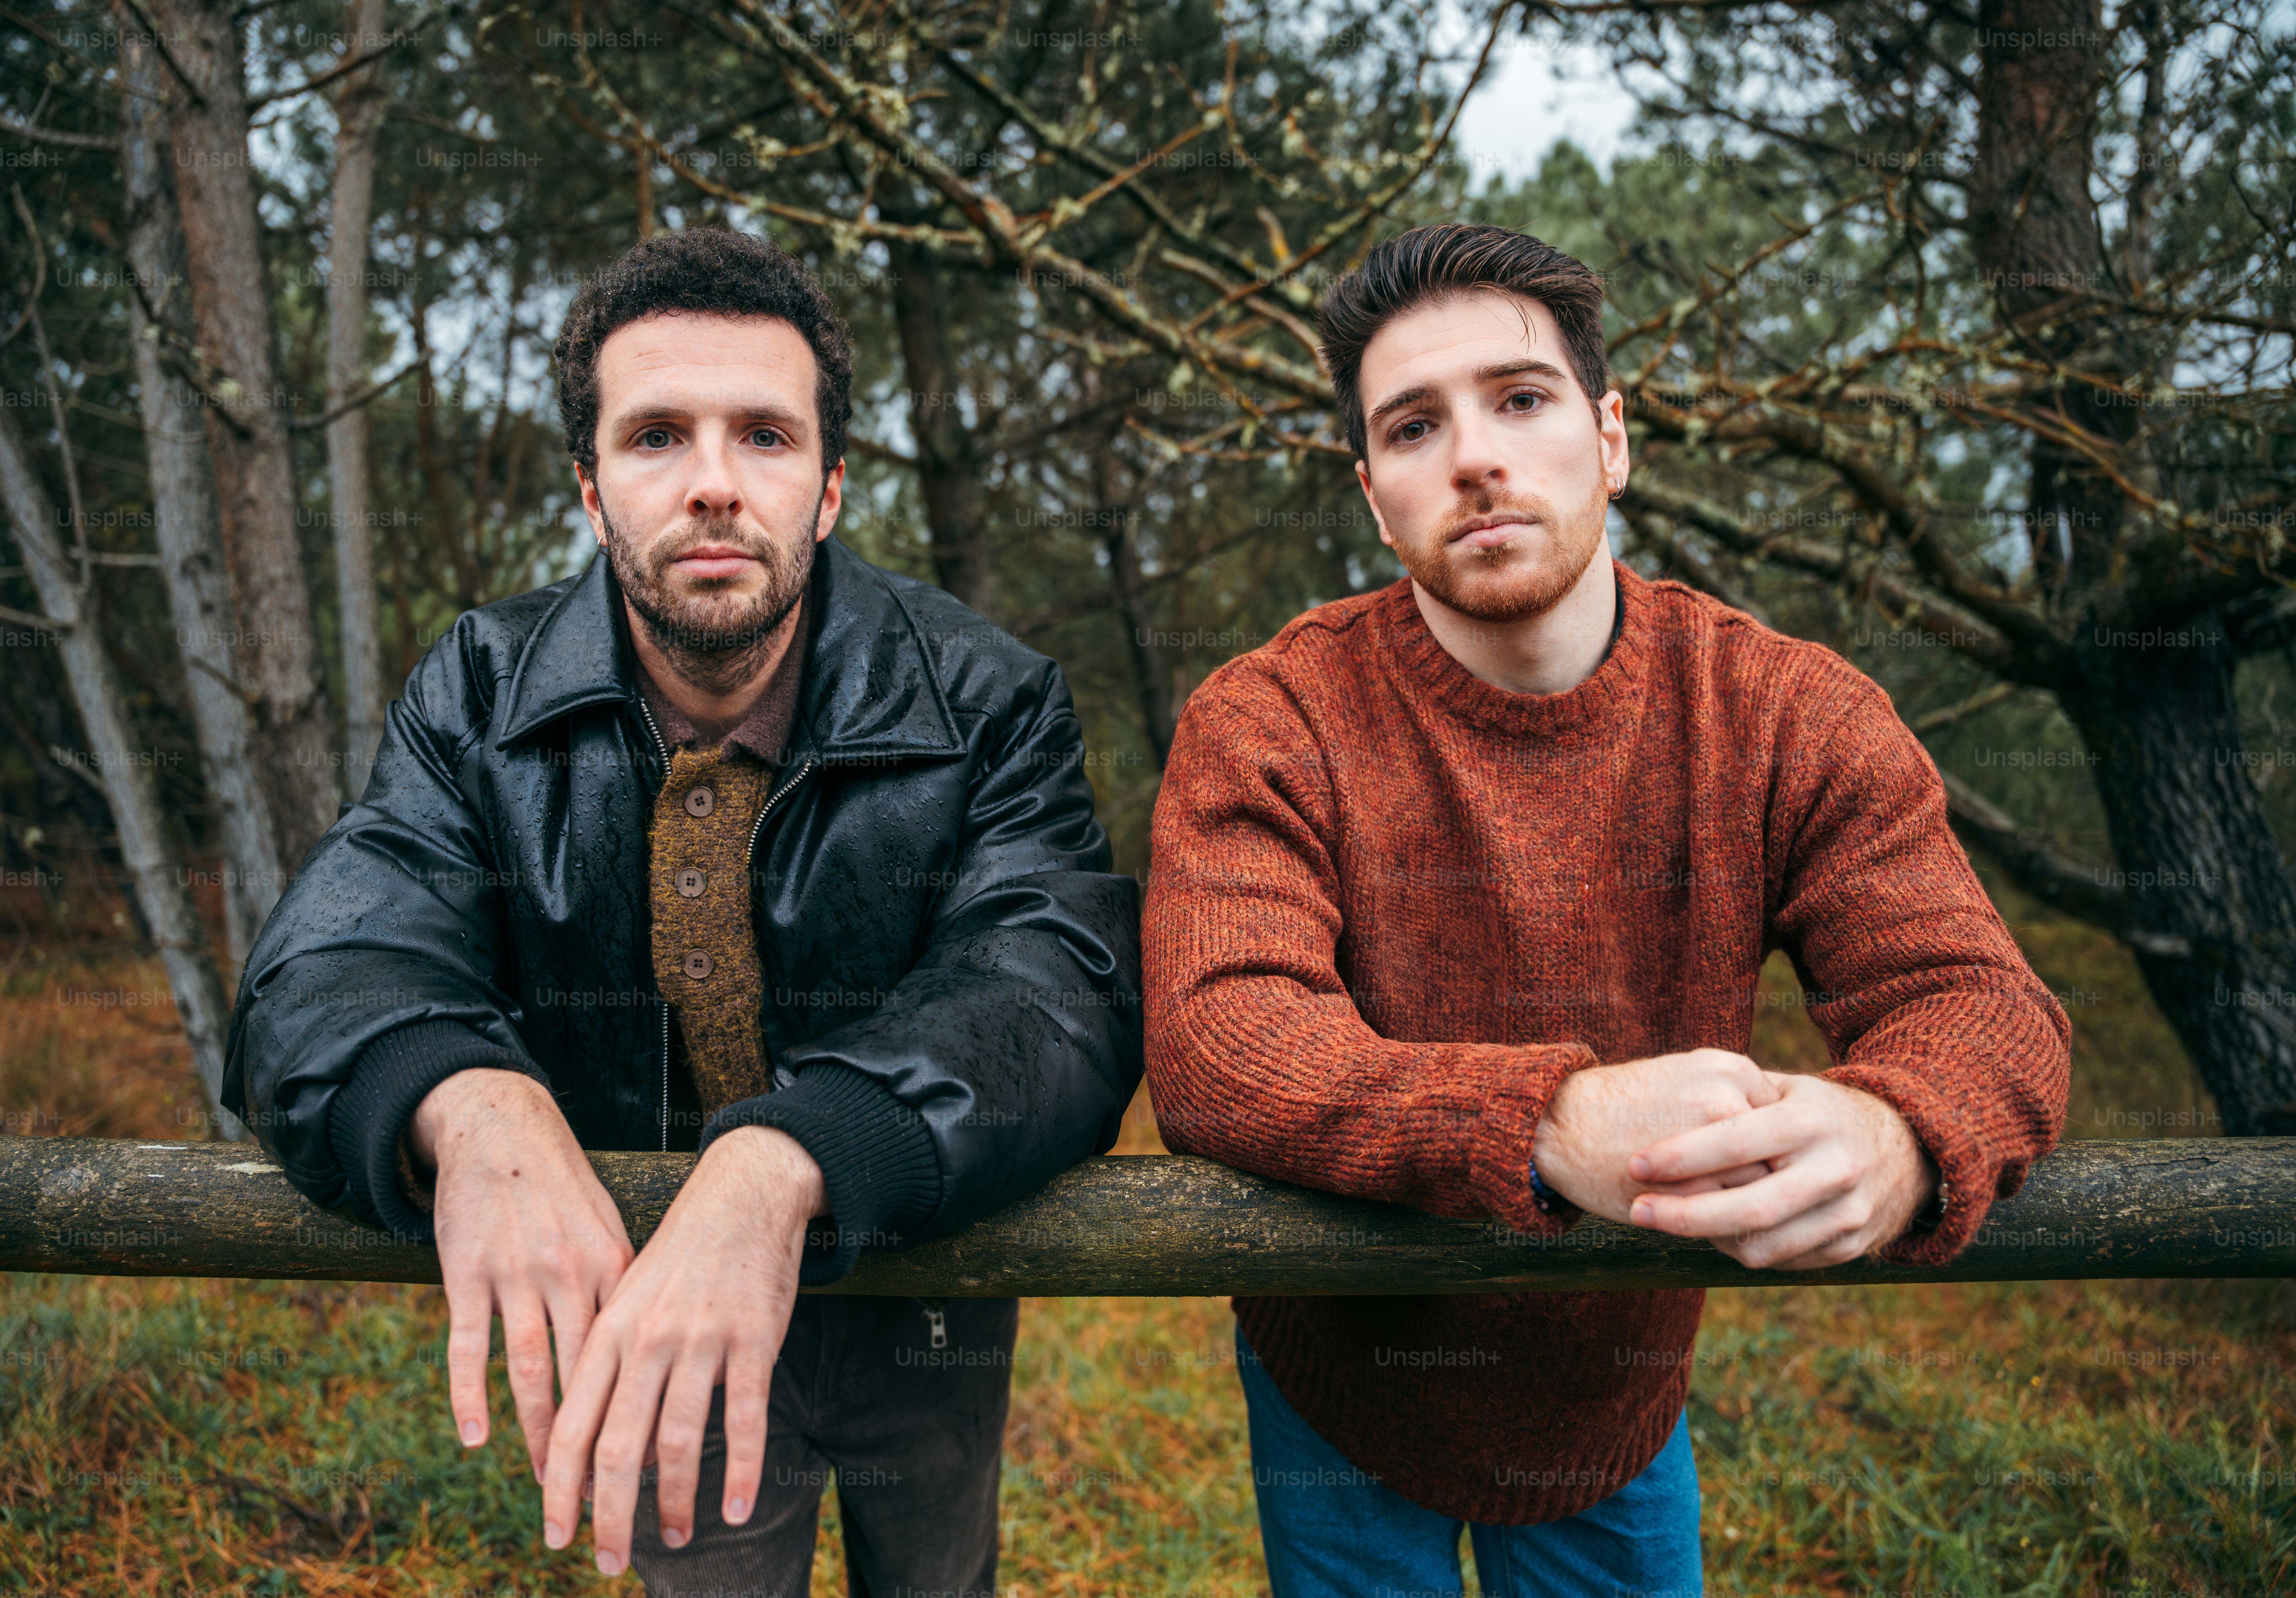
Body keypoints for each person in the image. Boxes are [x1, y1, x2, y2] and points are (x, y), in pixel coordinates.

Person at [1139, 222, 2071, 1598]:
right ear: (1372, 495)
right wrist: (1546, 1120)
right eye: (1412, 427)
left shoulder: (1782, 712)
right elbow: (1221, 1042)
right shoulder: (1268, 717)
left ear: (1610, 436)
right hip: (1342, 1368)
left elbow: (1978, 999)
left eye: (1519, 400)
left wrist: (1902, 1127)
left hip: (1617, 1381)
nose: (1473, 456)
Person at [223, 226, 1143, 1596]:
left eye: (763, 436)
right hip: (650, 1302)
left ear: (828, 489)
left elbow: (1050, 986)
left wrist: (787, 1160)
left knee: (941, 1575)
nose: (714, 484)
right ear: (592, 491)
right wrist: (468, 1098)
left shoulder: (988, 696)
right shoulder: (480, 691)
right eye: (657, 436)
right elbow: (336, 954)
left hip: (922, 1277)